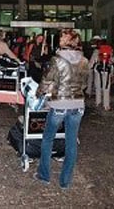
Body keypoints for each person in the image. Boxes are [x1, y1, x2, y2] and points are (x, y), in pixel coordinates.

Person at [34, 29, 88, 189]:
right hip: (78, 104)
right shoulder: (84, 60)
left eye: (62, 37)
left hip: (59, 103)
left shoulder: (57, 60)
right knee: (71, 142)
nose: (59, 39)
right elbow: (84, 84)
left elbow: (46, 81)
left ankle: (44, 175)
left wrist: (39, 93)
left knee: (48, 138)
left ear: (66, 41)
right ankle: (65, 181)